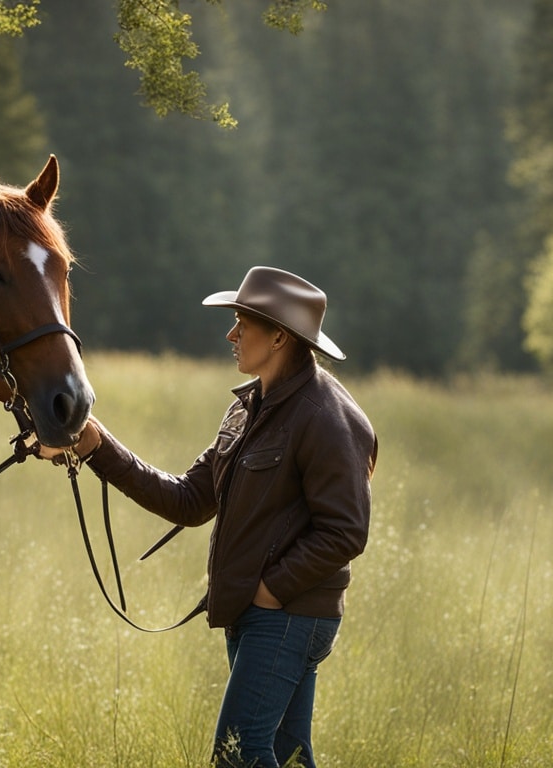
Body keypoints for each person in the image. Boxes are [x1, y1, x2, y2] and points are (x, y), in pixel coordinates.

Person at [48, 266, 377, 767]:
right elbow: (188, 500)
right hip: (260, 613)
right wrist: (97, 445)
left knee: (237, 756)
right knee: (286, 757)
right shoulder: (250, 408)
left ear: (279, 336)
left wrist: (270, 590)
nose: (231, 334)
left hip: (287, 614)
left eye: (242, 322)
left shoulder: (325, 417)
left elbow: (346, 532)